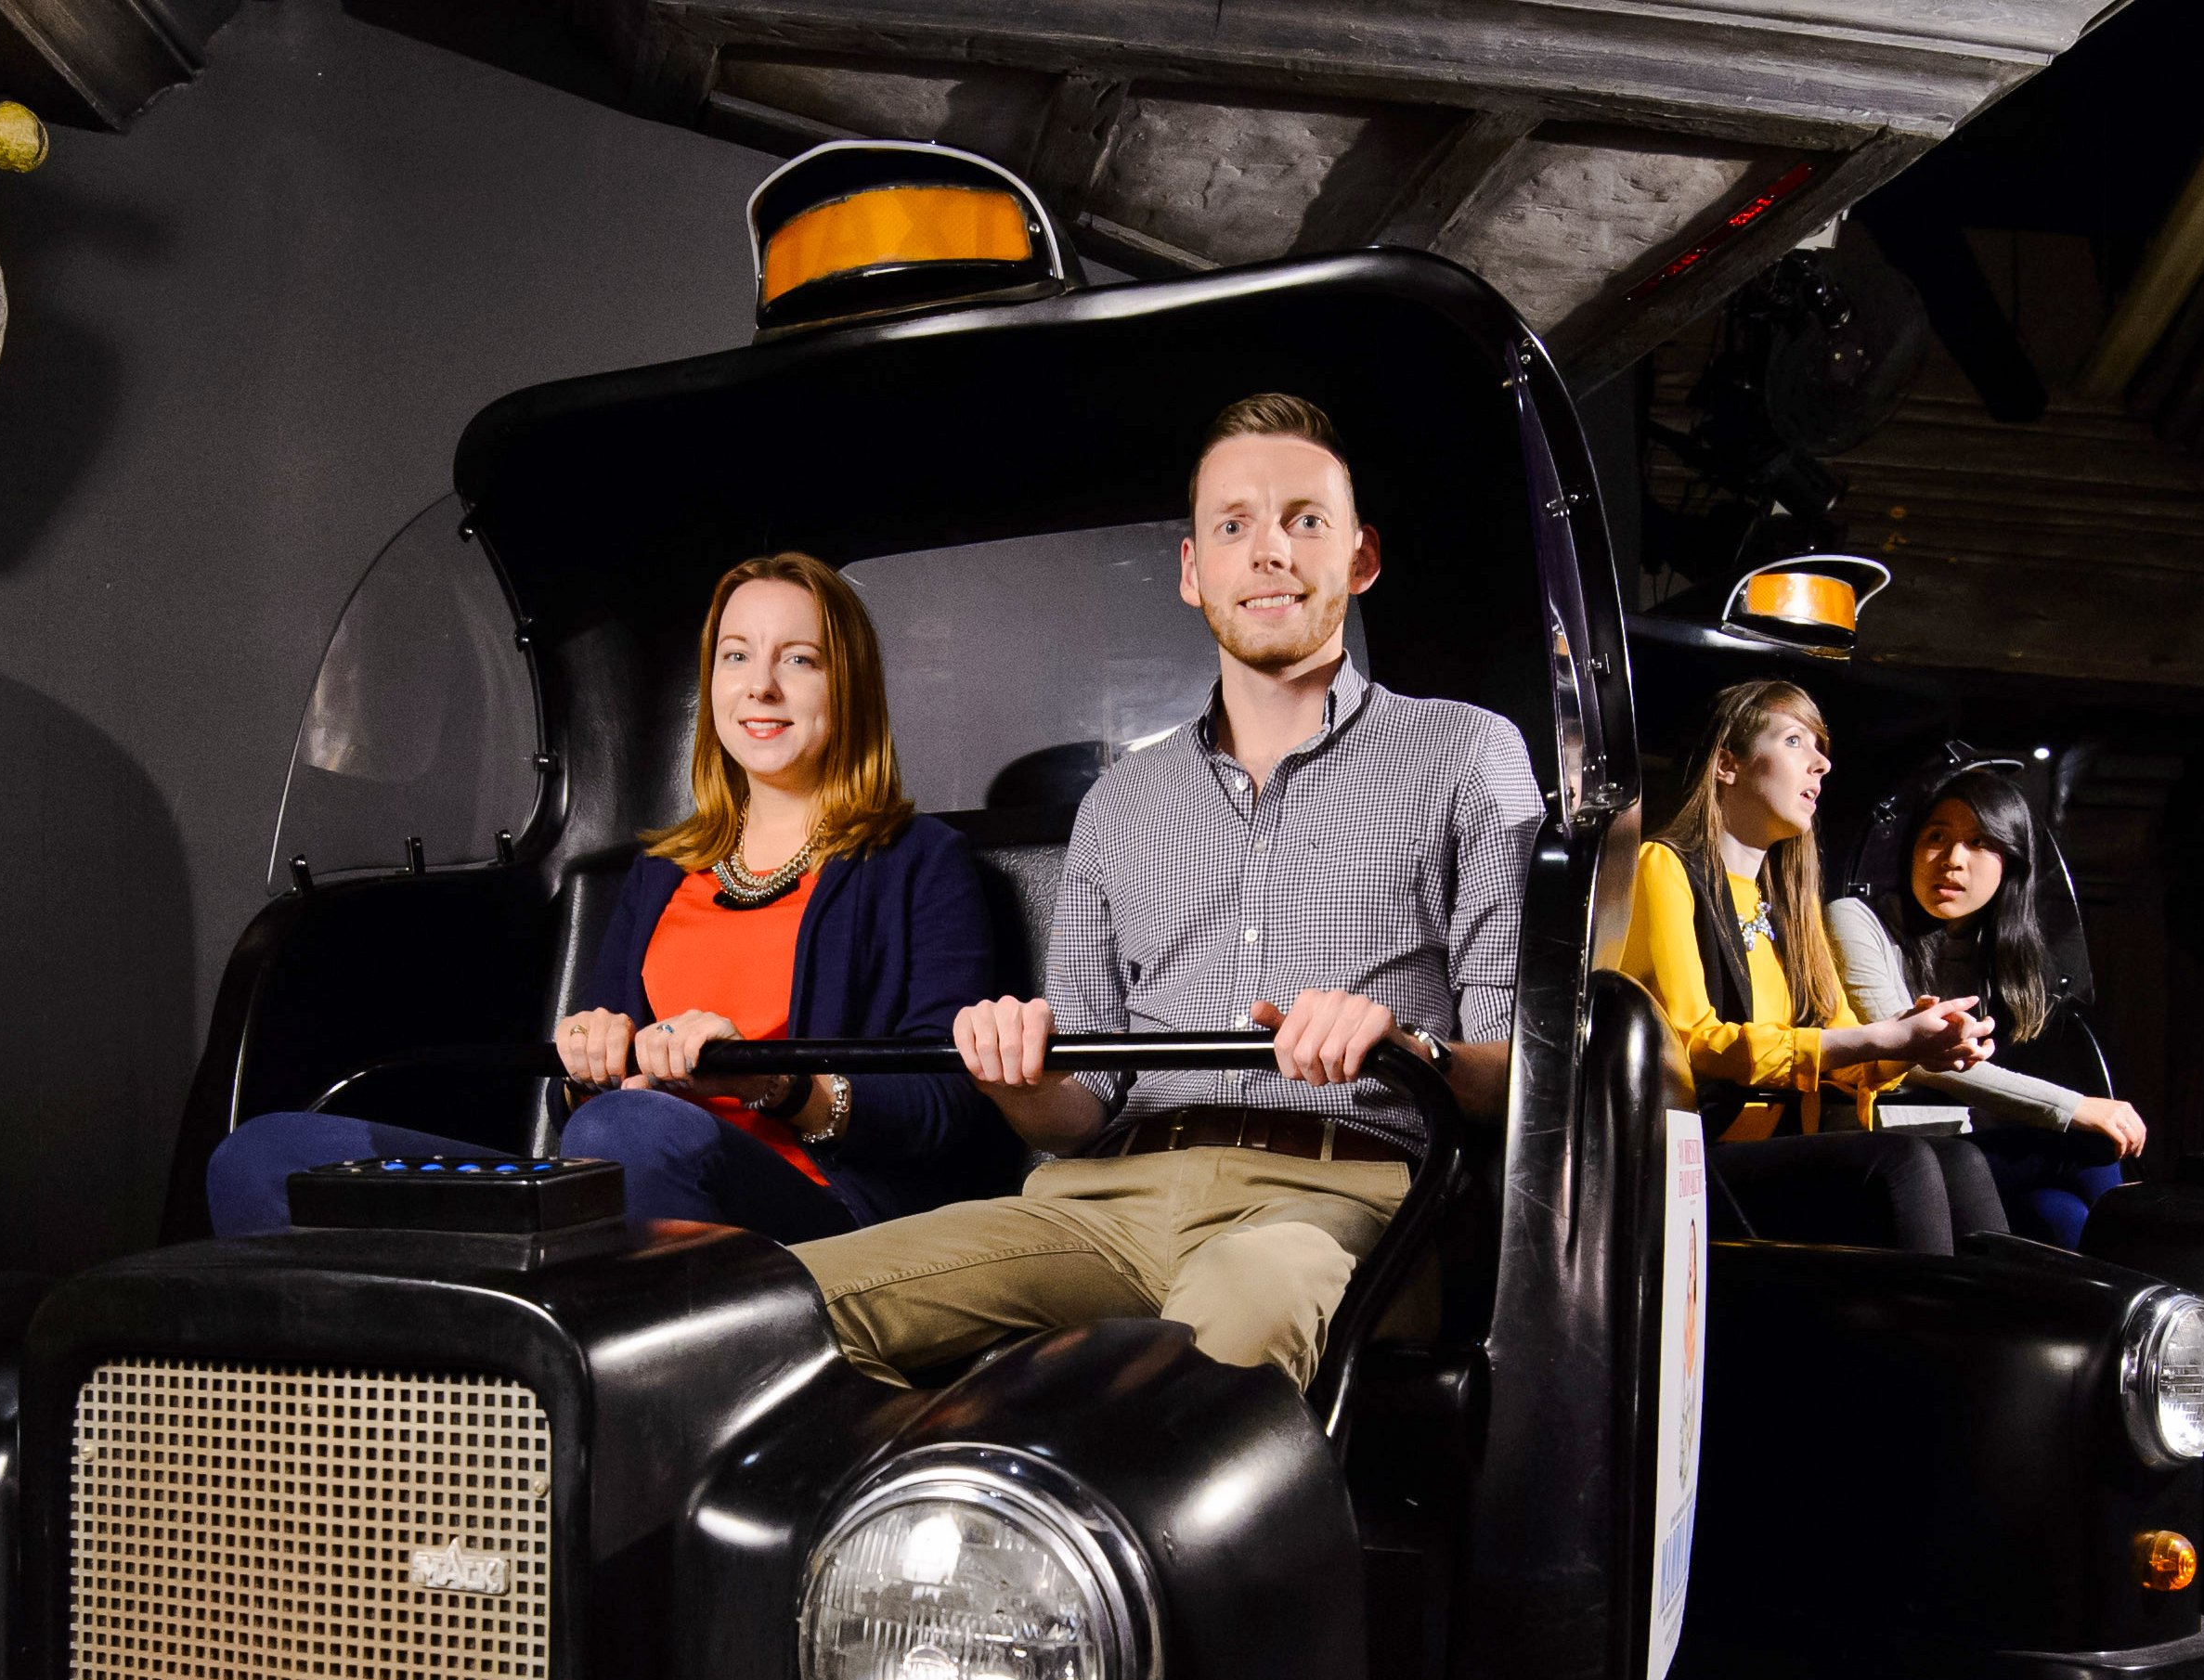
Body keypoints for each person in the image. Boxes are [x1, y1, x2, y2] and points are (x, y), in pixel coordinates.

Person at [787, 392, 1532, 1392]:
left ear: (1360, 558)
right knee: (778, 1312)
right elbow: (1080, 1110)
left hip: (1339, 1193)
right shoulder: (1120, 805)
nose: (1267, 551)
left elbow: (1520, 1077)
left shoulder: (1467, 754)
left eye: (1303, 520)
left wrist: (1409, 1047)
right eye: (1233, 525)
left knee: (1236, 1310)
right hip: (1104, 1197)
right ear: (1193, 572)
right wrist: (1017, 1084)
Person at [207, 549, 1012, 1240]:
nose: (759, 687)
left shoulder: (916, 860)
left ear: (850, 687)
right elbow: (581, 1113)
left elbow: (944, 1108)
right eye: (735, 656)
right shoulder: (661, 871)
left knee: (634, 1129)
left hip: (815, 1209)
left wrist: (764, 1082)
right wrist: (585, 1065)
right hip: (614, 1178)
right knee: (267, 1154)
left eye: (798, 659)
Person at [1615, 681, 2008, 1252]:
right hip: (1689, 1158)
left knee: (1962, 1161)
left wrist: (1909, 1042)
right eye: (1795, 740)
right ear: (1727, 764)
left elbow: (1844, 1045)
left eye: (1821, 748)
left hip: (1766, 1148)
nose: (1822, 764)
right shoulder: (1664, 867)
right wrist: (1882, 1038)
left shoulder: (1788, 904)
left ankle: (1989, 1336)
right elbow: (1691, 1042)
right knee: (1904, 1165)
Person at [1826, 765, 2147, 1247]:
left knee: (2057, 1214)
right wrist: (2073, 1107)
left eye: (1979, 843)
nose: (1953, 859)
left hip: (1957, 1154)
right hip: (1880, 1153)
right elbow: (1913, 1058)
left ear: (2010, 865)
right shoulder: (1855, 919)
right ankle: (2164, 1304)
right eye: (1937, 836)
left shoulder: (1998, 954)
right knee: (2092, 1144)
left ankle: (2135, 1313)